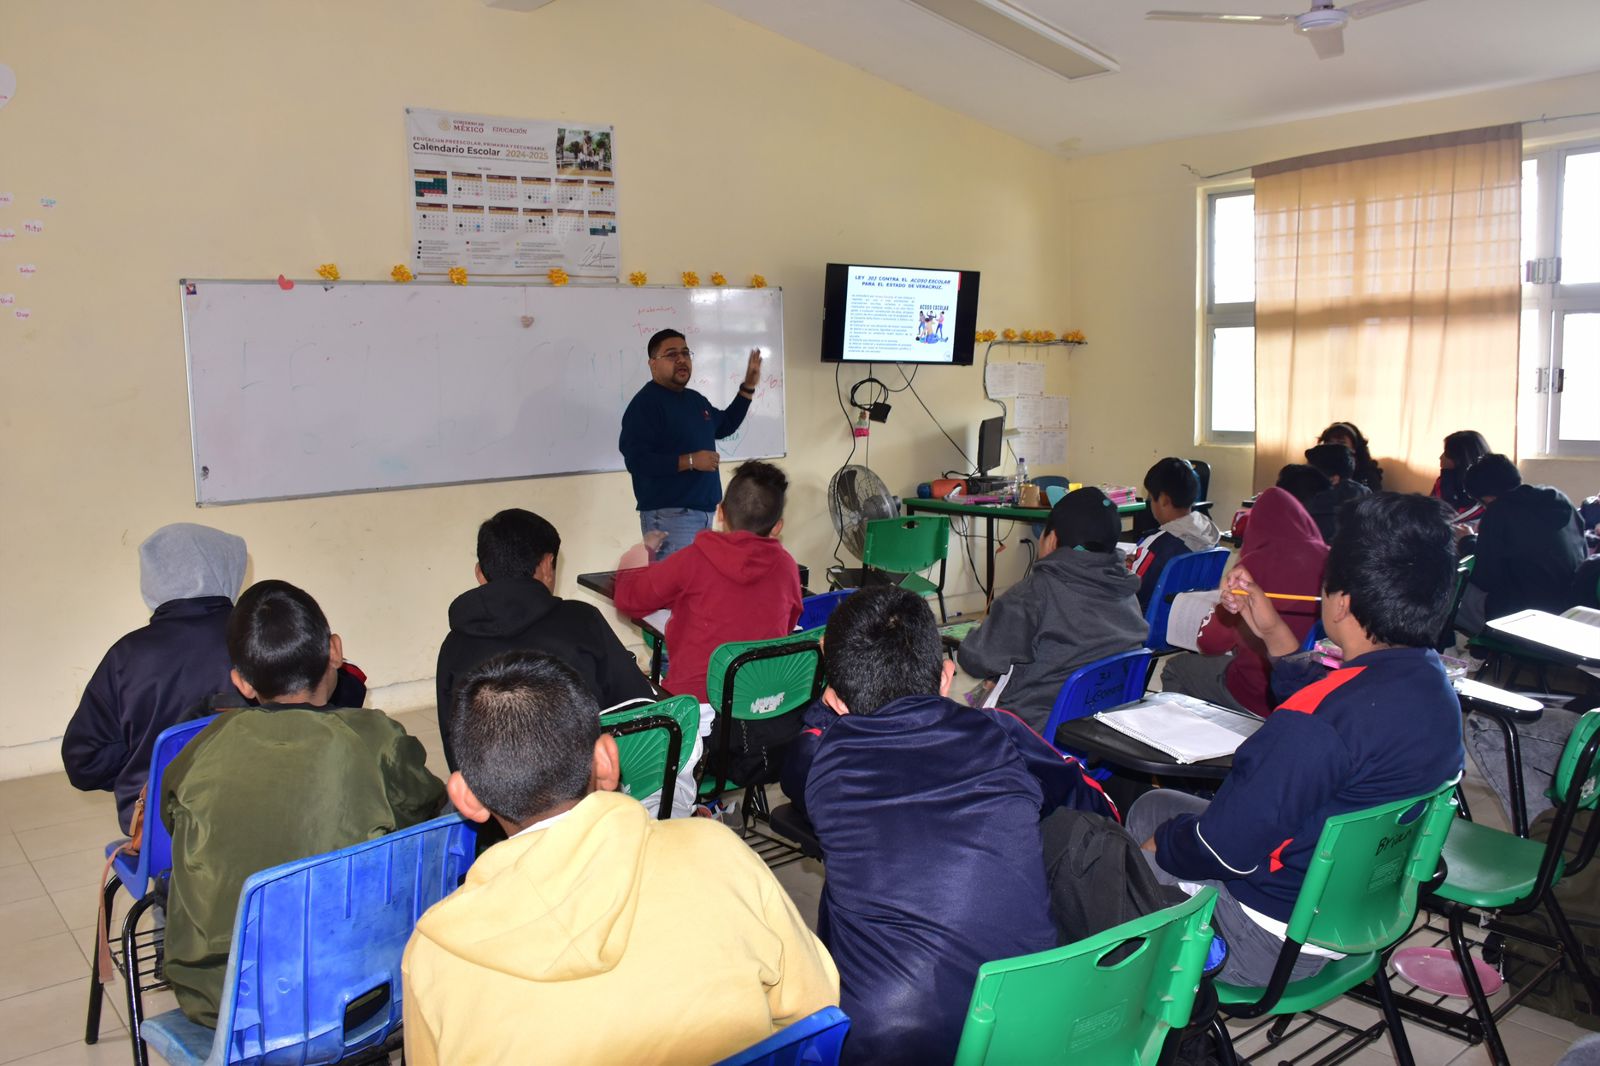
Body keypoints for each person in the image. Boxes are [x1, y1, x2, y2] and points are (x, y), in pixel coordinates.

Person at [401, 651, 838, 1065]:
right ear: (609, 761)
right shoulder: (720, 850)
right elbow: (816, 1008)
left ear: (466, 798)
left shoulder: (435, 954)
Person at [1128, 492, 1464, 987]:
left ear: (1341, 602)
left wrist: (1160, 848)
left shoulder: (1314, 725)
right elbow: (1337, 710)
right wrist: (1271, 631)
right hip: (1356, 913)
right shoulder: (1431, 684)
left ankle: (1135, 979)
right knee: (1154, 806)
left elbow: (1222, 851)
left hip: (1263, 938)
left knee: (1104, 859)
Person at [783, 587, 1117, 1066]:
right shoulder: (1002, 732)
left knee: (845, 889)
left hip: (886, 1044)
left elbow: (809, 743)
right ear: (946, 676)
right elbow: (1101, 810)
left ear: (835, 701)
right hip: (1029, 1024)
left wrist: (830, 696)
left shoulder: (816, 757)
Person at [162, 580, 443, 1025]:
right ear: (335, 650)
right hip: (359, 993)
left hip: (224, 1003)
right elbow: (431, 810)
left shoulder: (200, 751)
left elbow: (174, 824)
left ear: (241, 682)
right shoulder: (376, 740)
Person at [61, 523, 246, 834]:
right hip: (260, 822)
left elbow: (84, 763)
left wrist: (145, 759)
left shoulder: (127, 655)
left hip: (163, 832)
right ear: (230, 567)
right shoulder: (263, 639)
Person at [435, 508, 653, 769]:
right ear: (547, 565)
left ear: (480, 573)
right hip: (584, 783)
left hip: (491, 790)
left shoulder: (454, 646)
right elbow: (639, 706)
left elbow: (454, 745)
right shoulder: (582, 620)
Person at [958, 487, 1147, 733]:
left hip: (1034, 733)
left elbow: (976, 659)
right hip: (1105, 730)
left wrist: (977, 635)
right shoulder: (1126, 591)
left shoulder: (1033, 594)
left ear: (1052, 539)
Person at [613, 460, 802, 704]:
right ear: (777, 527)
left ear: (720, 513)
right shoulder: (787, 567)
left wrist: (642, 551)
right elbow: (787, 625)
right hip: (760, 703)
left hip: (694, 706)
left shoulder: (693, 559)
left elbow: (629, 598)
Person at [1163, 488, 1327, 717]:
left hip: (1258, 692)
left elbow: (1211, 644)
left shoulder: (1253, 567)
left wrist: (1218, 609)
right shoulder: (1329, 557)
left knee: (1177, 667)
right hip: (1314, 690)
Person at [618, 328, 763, 559]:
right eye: (671, 354)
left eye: (685, 353)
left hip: (704, 515)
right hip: (669, 517)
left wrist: (748, 387)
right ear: (653, 364)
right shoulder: (646, 404)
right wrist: (691, 461)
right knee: (676, 582)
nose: (681, 359)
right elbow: (637, 461)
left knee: (696, 580)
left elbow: (725, 425)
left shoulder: (695, 400)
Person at [1456, 454, 1587, 633]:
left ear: (1487, 498)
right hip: (1566, 611)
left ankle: (1443, 647)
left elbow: (1484, 578)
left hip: (1521, 617)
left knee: (1449, 589)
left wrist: (1467, 541)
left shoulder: (1499, 511)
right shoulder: (1561, 500)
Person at [1127, 458, 1223, 611]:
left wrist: (1124, 570)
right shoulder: (1210, 535)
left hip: (1149, 622)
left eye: (1151, 498)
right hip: (1192, 619)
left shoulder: (1156, 544)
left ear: (1164, 500)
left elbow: (1130, 592)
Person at [1302, 442, 1371, 543]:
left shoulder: (1315, 505)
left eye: (1310, 473)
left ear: (1334, 479)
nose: (1304, 477)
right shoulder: (1366, 497)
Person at [1432, 430, 1491, 514]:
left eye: (1446, 452)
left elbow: (1448, 513)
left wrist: (1446, 474)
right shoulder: (1444, 480)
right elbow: (1433, 511)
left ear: (1460, 458)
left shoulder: (1489, 489)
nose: (1441, 457)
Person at [1318, 421, 1383, 492]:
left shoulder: (1367, 472)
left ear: (1354, 447)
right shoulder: (1318, 470)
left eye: (1341, 443)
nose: (1334, 447)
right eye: (1330, 443)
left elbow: (1372, 495)